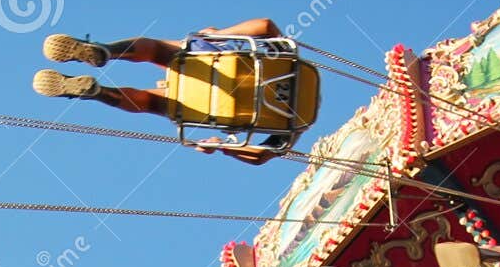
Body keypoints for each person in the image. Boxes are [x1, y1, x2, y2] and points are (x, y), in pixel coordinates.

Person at [32, 19, 309, 165]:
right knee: (154, 103)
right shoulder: (295, 126)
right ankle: (100, 93)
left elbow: (264, 25)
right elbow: (263, 156)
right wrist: (221, 146)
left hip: (218, 64)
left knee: (161, 50)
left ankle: (108, 51)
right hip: (218, 109)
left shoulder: (288, 63)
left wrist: (218, 33)